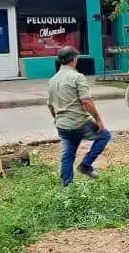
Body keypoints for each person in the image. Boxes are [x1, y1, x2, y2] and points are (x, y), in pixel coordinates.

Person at [47, 46, 112, 186]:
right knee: (104, 135)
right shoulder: (77, 77)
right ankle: (86, 165)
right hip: (79, 123)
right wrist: (98, 120)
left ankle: (67, 187)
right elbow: (86, 102)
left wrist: (57, 119)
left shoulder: (52, 80)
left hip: (62, 125)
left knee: (67, 155)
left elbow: (50, 105)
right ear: (74, 59)